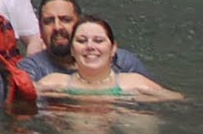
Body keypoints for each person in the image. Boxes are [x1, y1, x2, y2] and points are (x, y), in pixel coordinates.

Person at [36, 16, 181, 100]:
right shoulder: (55, 82)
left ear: (113, 49)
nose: (90, 46)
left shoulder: (133, 83)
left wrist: (140, 99)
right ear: (72, 50)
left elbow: (177, 99)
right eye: (81, 41)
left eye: (98, 40)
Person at [19, 0, 154, 81]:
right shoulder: (32, 69)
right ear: (40, 30)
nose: (57, 27)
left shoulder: (123, 63)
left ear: (80, 23)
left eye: (65, 19)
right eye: (48, 21)